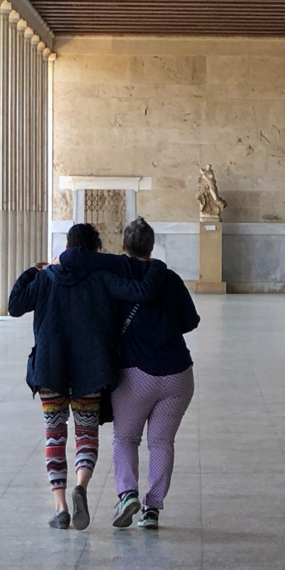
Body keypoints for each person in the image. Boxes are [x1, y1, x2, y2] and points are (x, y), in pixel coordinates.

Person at [8, 223, 166, 530]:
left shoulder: (45, 279)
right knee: (86, 434)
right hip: (89, 371)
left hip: (50, 370)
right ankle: (81, 484)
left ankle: (60, 507)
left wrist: (32, 271)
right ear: (93, 251)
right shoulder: (101, 278)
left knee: (55, 434)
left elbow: (15, 306)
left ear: (67, 248)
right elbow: (135, 293)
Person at [108, 217, 200, 531]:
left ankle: (127, 493)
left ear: (124, 246)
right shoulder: (170, 279)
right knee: (161, 443)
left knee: (125, 439)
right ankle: (152, 510)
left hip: (135, 376)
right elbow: (190, 321)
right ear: (152, 246)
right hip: (177, 375)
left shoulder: (119, 280)